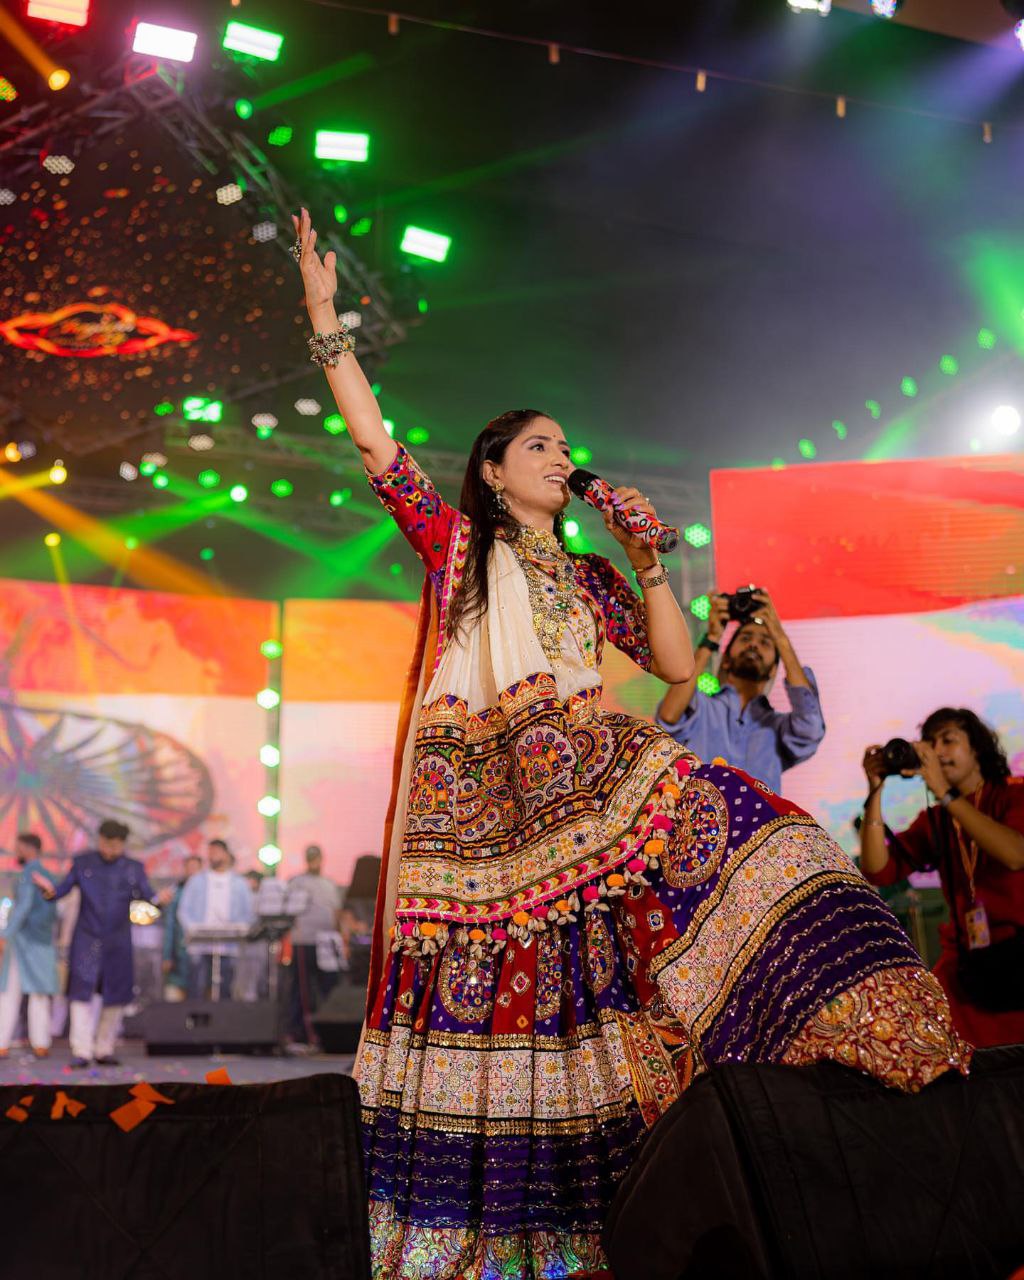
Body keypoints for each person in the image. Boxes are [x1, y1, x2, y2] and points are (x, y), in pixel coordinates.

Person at [292, 208, 969, 1278]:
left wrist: (649, 561)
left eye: (566, 444)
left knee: (745, 854)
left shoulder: (587, 572)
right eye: (539, 445)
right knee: (504, 983)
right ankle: (497, 1227)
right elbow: (378, 445)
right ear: (492, 469)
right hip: (490, 798)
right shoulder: (462, 544)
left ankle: (739, 1112)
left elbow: (672, 672)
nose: (563, 456)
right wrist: (327, 315)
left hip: (589, 774)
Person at [860, 707, 1024, 1048]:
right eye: (931, 743)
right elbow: (878, 869)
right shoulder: (937, 818)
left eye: (948, 740)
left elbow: (1014, 854)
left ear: (977, 748)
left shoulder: (1012, 795)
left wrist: (945, 795)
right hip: (970, 965)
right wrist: (875, 792)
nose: (937, 751)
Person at [656, 590, 825, 794]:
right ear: (725, 659)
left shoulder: (778, 729)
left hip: (760, 826)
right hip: (696, 821)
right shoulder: (701, 709)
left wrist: (780, 636)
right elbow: (668, 716)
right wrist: (712, 637)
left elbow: (811, 727)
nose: (754, 644)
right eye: (745, 638)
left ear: (773, 669)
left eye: (765, 642)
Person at [47, 819, 159, 1067]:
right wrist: (49, 892)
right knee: (80, 994)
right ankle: (82, 1050)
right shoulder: (82, 862)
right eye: (106, 843)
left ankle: (103, 1048)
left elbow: (149, 897)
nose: (109, 849)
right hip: (86, 939)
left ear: (123, 844)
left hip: (118, 941)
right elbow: (61, 890)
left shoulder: (133, 868)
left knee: (116, 996)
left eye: (115, 844)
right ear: (99, 840)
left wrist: (161, 901)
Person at [0, 834, 58, 1058]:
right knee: (39, 994)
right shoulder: (48, 876)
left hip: (24, 942)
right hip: (42, 941)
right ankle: (40, 1043)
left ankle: (2, 1041)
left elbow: (22, 908)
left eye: (18, 848)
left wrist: (5, 935)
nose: (16, 852)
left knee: (9, 993)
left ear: (27, 848)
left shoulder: (28, 875)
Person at [177, 840, 254, 1000]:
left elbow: (248, 912)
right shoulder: (197, 880)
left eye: (217, 851)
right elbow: (183, 910)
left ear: (226, 854)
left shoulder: (239, 884)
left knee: (225, 987)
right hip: (200, 944)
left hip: (228, 944)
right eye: (210, 852)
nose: (213, 856)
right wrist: (193, 929)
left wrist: (239, 929)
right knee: (197, 987)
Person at [287, 844, 343, 1046]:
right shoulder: (296, 882)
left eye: (316, 858)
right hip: (303, 942)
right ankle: (298, 1032)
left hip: (326, 942)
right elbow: (289, 910)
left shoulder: (330, 884)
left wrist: (339, 939)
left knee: (328, 987)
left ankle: (328, 1033)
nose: (314, 862)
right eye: (310, 858)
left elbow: (337, 913)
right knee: (301, 989)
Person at [161, 853, 202, 1001]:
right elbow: (170, 926)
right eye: (189, 868)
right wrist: (166, 956)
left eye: (195, 868)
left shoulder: (207, 895)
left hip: (201, 956)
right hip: (179, 955)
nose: (192, 872)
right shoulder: (177, 892)